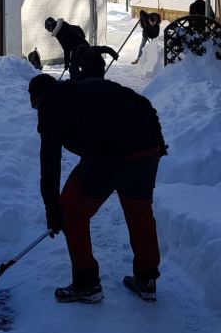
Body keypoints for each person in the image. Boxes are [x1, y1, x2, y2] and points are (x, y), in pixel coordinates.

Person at [28, 73, 167, 304]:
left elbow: (50, 165)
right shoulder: (92, 84)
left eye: (35, 106)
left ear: (39, 99)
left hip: (110, 156)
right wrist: (159, 142)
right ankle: (147, 279)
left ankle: (87, 284)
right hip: (146, 150)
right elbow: (143, 104)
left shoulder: (50, 110)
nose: (37, 112)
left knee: (71, 211)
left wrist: (53, 210)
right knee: (139, 212)